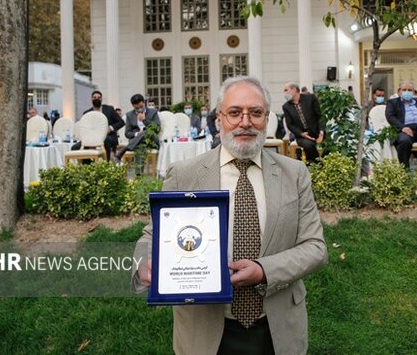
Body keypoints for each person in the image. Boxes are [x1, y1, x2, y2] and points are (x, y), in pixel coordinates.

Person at [132, 77, 327, 355]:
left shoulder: (294, 174)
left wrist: (263, 271)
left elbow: (315, 248)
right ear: (219, 119)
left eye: (255, 113)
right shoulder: (184, 173)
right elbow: (153, 235)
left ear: (267, 119)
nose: (245, 122)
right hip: (205, 330)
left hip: (276, 326)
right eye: (234, 113)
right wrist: (145, 263)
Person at [72, 90, 124, 161]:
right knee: (75, 147)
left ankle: (106, 165)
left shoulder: (109, 109)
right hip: (91, 138)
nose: (96, 99)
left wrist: (110, 128)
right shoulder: (86, 113)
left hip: (108, 137)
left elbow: (121, 122)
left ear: (101, 99)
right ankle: (88, 166)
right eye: (94, 97)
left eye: (99, 97)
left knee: (105, 141)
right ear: (91, 99)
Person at [282, 83, 325, 163]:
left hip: (317, 131)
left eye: (286, 90)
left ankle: (325, 164)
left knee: (329, 145)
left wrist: (321, 132)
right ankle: (316, 165)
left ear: (294, 90)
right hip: (302, 135)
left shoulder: (310, 98)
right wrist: (302, 134)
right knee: (308, 145)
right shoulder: (286, 107)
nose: (284, 93)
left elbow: (320, 116)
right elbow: (290, 125)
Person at [114, 94, 161, 163]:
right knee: (140, 147)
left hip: (152, 141)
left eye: (141, 107)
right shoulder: (129, 115)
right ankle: (139, 174)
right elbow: (127, 133)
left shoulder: (153, 112)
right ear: (133, 106)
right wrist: (137, 134)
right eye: (137, 108)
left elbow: (157, 129)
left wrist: (145, 120)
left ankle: (123, 150)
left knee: (146, 131)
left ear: (144, 103)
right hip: (137, 143)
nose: (140, 109)